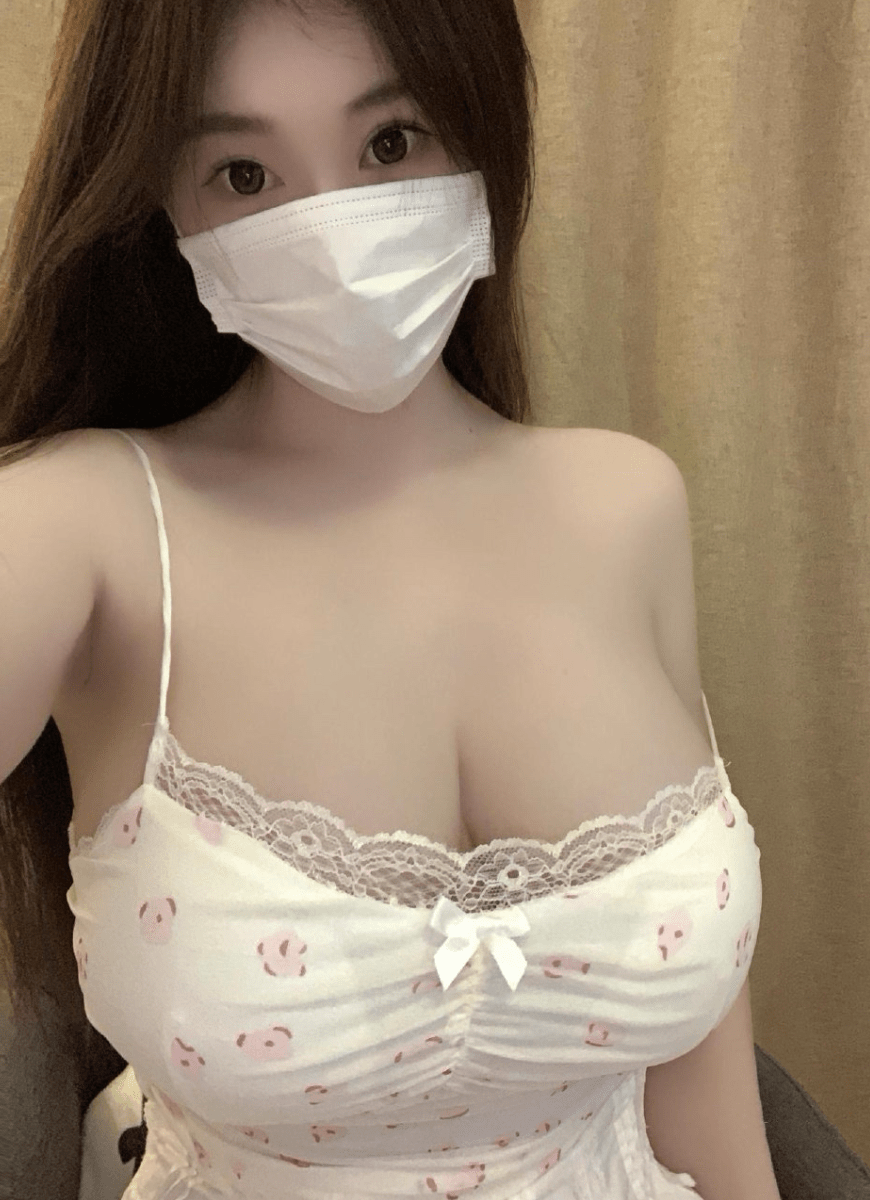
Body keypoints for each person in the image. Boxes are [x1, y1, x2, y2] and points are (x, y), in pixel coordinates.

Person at [0, 0, 765, 1196]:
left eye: (391, 143)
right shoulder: (75, 527)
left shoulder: (628, 505)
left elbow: (701, 1080)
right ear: (158, 204)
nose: (334, 230)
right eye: (244, 174)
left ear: (481, 134)